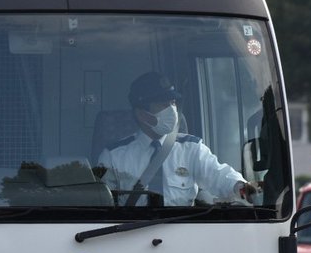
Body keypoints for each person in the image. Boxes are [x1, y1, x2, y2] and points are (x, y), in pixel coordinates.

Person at [96, 71, 256, 206]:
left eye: (172, 103)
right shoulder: (113, 156)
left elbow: (221, 177)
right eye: (162, 104)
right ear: (141, 114)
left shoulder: (192, 149)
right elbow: (101, 207)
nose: (172, 110)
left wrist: (243, 189)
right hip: (129, 236)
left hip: (182, 236)